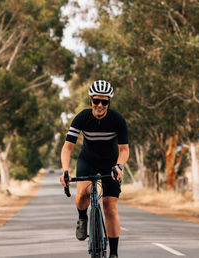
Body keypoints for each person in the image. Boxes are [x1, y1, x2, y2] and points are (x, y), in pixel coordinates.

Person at [60, 80, 129, 258]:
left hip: (111, 163)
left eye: (104, 102)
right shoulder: (82, 117)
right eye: (96, 101)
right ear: (90, 100)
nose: (100, 105)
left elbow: (124, 150)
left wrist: (119, 166)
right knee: (81, 194)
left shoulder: (117, 120)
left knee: (110, 207)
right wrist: (65, 170)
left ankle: (113, 253)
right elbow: (68, 147)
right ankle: (83, 217)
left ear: (109, 102)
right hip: (88, 160)